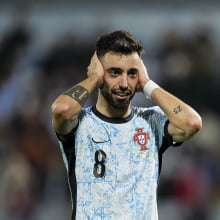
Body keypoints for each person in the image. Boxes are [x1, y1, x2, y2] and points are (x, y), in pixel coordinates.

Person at [51, 30, 202, 220]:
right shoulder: (80, 123)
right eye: (114, 72)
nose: (124, 83)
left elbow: (191, 123)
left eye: (132, 74)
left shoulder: (151, 121)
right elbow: (62, 109)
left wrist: (147, 84)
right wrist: (94, 79)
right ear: (100, 73)